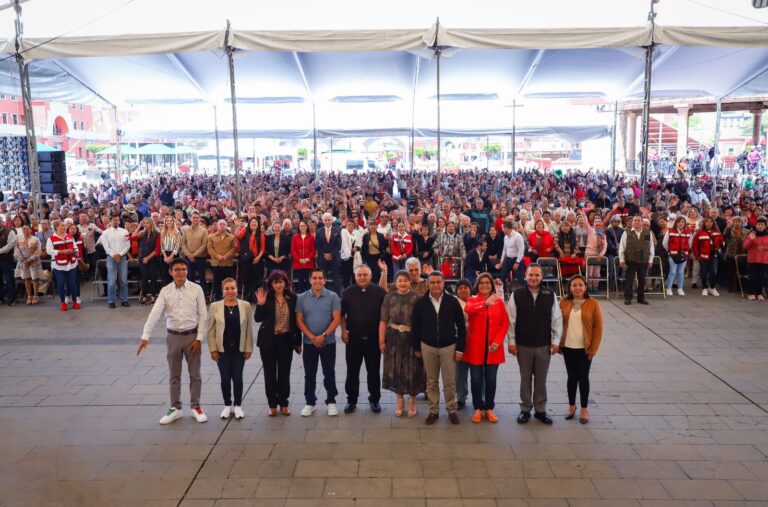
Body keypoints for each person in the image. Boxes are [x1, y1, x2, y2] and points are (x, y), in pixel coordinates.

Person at [137, 258, 209, 425]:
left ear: (187, 271)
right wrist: (145, 336)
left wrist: (199, 338)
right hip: (173, 337)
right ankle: (175, 408)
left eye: (183, 269)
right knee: (174, 375)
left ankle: (196, 406)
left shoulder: (197, 289)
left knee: (195, 374)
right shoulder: (165, 291)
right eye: (177, 270)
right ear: (171, 272)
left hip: (192, 336)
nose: (181, 272)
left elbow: (203, 315)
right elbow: (154, 314)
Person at [506, 264, 563, 425]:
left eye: (537, 275)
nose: (534, 278)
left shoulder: (550, 294)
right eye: (531, 275)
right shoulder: (517, 294)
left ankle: (540, 409)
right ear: (525, 276)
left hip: (543, 344)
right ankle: (525, 409)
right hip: (523, 344)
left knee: (541, 379)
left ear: (542, 277)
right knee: (525, 378)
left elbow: (557, 319)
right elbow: (511, 320)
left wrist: (555, 341)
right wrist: (511, 342)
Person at [411, 270, 467, 425]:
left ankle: (451, 410)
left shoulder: (452, 301)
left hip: (448, 347)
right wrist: (417, 347)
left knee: (449, 382)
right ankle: (433, 411)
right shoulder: (420, 303)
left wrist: (460, 348)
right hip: (427, 346)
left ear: (443, 283)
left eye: (438, 282)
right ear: (427, 284)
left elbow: (461, 327)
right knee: (431, 381)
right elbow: (415, 327)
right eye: (432, 282)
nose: (435, 285)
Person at [463, 273, 509, 424]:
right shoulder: (472, 300)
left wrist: (498, 341)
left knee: (491, 379)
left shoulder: (499, 302)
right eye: (481, 283)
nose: (484, 285)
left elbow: (504, 323)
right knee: (476, 380)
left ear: (491, 285)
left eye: (487, 282)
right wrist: (485, 304)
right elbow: (469, 310)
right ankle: (477, 408)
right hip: (475, 348)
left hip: (493, 348)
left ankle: (489, 408)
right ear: (477, 285)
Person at [340, 264, 387, 413]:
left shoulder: (380, 292)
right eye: (359, 275)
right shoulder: (347, 292)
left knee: (373, 371)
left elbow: (384, 317)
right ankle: (351, 400)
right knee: (352, 371)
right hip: (353, 339)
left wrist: (382, 339)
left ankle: (374, 399)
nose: (362, 277)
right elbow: (341, 314)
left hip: (373, 340)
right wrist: (343, 331)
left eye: (365, 275)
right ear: (355, 277)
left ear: (370, 276)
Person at [295, 268, 341, 417]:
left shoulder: (333, 296)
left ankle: (331, 401)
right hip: (309, 343)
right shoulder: (301, 298)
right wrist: (313, 338)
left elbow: (336, 319)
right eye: (314, 278)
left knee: (329, 372)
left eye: (320, 278)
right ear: (309, 280)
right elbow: (299, 320)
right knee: (310, 374)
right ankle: (310, 402)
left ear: (325, 280)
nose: (317, 281)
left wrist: (323, 335)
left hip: (328, 342)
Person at [255, 270, 302, 416]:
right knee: (269, 374)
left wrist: (297, 342)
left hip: (286, 340)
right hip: (268, 341)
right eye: (275, 282)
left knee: (284, 374)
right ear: (271, 284)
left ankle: (284, 403)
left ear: (285, 283)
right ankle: (272, 404)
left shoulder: (293, 298)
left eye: (281, 282)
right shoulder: (266, 297)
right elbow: (257, 318)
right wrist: (260, 304)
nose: (278, 285)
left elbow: (297, 322)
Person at [380, 270, 425, 417]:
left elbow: (422, 322)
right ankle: (399, 399)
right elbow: (383, 320)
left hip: (412, 338)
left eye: (405, 280)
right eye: (400, 280)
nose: (403, 283)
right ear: (396, 282)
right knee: (396, 368)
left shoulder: (417, 298)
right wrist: (381, 341)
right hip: (393, 338)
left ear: (409, 282)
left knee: (414, 368)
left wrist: (421, 342)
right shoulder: (389, 297)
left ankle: (412, 400)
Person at [207, 277, 253, 419]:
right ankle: (227, 405)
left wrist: (248, 347)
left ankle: (238, 405)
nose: (230, 291)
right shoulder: (215, 306)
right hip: (222, 350)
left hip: (239, 349)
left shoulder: (245, 305)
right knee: (225, 379)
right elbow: (211, 330)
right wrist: (213, 349)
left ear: (237, 289)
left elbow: (249, 328)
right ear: (222, 291)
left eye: (233, 288)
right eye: (227, 289)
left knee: (238, 378)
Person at [559, 275, 603, 425]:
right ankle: (571, 406)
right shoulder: (564, 302)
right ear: (569, 288)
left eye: (580, 285)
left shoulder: (593, 304)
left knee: (583, 377)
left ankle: (584, 409)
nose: (577, 288)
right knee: (571, 377)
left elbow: (598, 328)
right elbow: (556, 323)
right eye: (574, 285)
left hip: (585, 349)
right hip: (568, 347)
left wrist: (593, 349)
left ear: (585, 287)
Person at [618, 216, 654, 305]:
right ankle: (628, 298)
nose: (636, 222)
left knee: (642, 280)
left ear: (642, 222)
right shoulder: (626, 232)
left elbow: (651, 247)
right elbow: (622, 247)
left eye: (638, 220)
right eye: (635, 220)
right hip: (630, 260)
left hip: (643, 260)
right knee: (629, 280)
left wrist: (650, 260)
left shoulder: (648, 233)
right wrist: (621, 259)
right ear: (632, 222)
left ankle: (641, 298)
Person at [46, 220, 80, 311]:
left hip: (71, 263)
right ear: (56, 227)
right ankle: (63, 302)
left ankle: (74, 301)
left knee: (72, 283)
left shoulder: (70, 236)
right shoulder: (51, 238)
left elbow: (75, 247)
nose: (64, 227)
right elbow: (49, 251)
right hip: (58, 265)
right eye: (62, 226)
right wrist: (62, 252)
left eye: (65, 225)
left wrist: (76, 252)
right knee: (61, 284)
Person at [100, 214, 131, 309]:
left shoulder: (125, 231)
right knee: (111, 281)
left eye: (117, 220)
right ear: (111, 221)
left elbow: (128, 245)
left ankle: (124, 300)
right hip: (111, 258)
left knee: (123, 280)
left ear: (119, 221)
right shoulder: (105, 232)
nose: (115, 222)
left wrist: (120, 255)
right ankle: (111, 301)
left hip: (123, 258)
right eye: (114, 220)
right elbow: (106, 246)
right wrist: (114, 255)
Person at [453, 279, 473, 409]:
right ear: (456, 291)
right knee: (460, 373)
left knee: (478, 374)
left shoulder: (477, 301)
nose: (463, 290)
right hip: (459, 341)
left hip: (476, 341)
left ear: (471, 289)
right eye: (460, 288)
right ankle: (460, 398)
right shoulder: (453, 303)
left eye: (466, 287)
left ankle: (481, 398)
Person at [236, 217, 266, 302]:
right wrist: (238, 226)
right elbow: (238, 236)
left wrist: (258, 257)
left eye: (255, 222)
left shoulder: (261, 234)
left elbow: (262, 248)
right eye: (252, 222)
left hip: (257, 259)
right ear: (249, 223)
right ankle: (247, 296)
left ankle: (255, 297)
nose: (253, 223)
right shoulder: (245, 230)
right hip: (246, 259)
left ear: (258, 224)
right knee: (246, 278)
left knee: (256, 279)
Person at [692, 216, 724, 297]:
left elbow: (721, 241)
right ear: (704, 223)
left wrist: (718, 246)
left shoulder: (717, 232)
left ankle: (712, 288)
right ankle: (705, 288)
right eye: (707, 221)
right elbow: (695, 245)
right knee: (704, 272)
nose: (709, 223)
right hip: (703, 256)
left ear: (713, 223)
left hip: (714, 255)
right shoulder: (699, 233)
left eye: (711, 221)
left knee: (714, 272)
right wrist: (697, 256)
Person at [207, 219, 238, 301]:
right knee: (216, 282)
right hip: (216, 263)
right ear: (217, 226)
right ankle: (217, 298)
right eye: (220, 224)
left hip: (227, 263)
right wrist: (217, 256)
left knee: (227, 282)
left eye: (224, 224)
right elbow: (209, 248)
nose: (222, 225)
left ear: (226, 226)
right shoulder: (211, 237)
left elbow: (234, 248)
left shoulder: (231, 237)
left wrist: (226, 256)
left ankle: (227, 297)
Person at [180, 212, 209, 296]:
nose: (195, 219)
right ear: (191, 219)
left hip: (200, 257)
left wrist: (194, 255)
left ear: (199, 219)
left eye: (197, 217)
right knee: (190, 276)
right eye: (194, 217)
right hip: (188, 257)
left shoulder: (204, 231)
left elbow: (204, 245)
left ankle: (203, 295)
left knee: (201, 277)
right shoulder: (186, 230)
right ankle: (190, 295)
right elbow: (183, 244)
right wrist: (189, 255)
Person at [13, 223, 42, 305]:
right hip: (23, 262)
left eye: (27, 229)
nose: (25, 230)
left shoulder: (36, 239)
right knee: (27, 279)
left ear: (30, 230)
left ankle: (35, 295)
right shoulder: (18, 238)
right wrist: (23, 259)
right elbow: (16, 250)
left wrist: (30, 259)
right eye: (24, 229)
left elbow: (38, 250)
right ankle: (29, 296)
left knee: (35, 279)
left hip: (34, 261)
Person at [663, 216, 692, 296]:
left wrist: (686, 251)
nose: (680, 223)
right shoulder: (670, 231)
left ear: (685, 223)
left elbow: (690, 244)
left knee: (681, 272)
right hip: (673, 255)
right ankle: (669, 288)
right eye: (679, 222)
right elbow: (664, 243)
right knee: (672, 271)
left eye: (682, 222)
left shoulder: (688, 232)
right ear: (676, 223)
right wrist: (669, 250)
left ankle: (680, 288)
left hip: (683, 255)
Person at [135, 217, 161, 304]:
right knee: (144, 278)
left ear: (151, 224)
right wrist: (139, 226)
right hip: (142, 259)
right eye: (144, 223)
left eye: (147, 223)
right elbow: (132, 237)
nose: (145, 224)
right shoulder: (142, 233)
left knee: (153, 278)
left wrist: (148, 258)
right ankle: (144, 296)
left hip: (153, 259)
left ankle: (153, 296)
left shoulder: (157, 234)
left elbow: (157, 249)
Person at [315, 213, 342, 294]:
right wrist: (324, 254)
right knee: (322, 278)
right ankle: (322, 294)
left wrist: (331, 254)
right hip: (322, 258)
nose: (327, 222)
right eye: (325, 220)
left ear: (331, 220)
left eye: (328, 220)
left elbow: (339, 245)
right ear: (323, 221)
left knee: (336, 278)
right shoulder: (319, 231)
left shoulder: (337, 230)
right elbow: (317, 245)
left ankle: (338, 295)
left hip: (334, 258)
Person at [743, 216, 768, 300]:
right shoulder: (752, 234)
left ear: (765, 226)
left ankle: (759, 293)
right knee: (753, 276)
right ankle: (750, 293)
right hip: (753, 259)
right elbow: (745, 246)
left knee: (762, 277)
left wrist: (764, 248)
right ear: (756, 225)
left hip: (764, 260)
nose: (760, 226)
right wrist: (751, 240)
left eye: (762, 224)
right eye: (758, 224)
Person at [496, 220, 525, 289]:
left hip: (517, 259)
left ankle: (525, 292)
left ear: (507, 228)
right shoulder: (505, 236)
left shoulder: (518, 236)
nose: (502, 230)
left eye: (503, 228)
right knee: (502, 277)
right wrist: (501, 261)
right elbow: (504, 250)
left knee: (520, 278)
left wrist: (517, 262)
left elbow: (521, 250)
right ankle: (501, 292)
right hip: (508, 259)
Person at [291, 221, 315, 293]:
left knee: (309, 280)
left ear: (307, 226)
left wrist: (308, 258)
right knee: (300, 281)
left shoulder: (311, 237)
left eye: (304, 225)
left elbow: (313, 250)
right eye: (301, 226)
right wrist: (299, 259)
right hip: (298, 263)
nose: (303, 227)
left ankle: (309, 295)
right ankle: (301, 296)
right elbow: (293, 250)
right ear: (299, 227)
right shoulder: (295, 236)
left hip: (309, 262)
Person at [340, 217, 363, 288]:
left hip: (355, 256)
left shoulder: (357, 232)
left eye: (352, 225)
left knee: (355, 274)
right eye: (349, 225)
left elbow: (360, 242)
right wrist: (349, 250)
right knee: (346, 275)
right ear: (346, 225)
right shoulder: (343, 232)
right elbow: (344, 243)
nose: (350, 226)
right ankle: (346, 290)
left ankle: (355, 289)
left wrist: (356, 248)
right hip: (346, 257)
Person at [0, 218, 18, 306]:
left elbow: (10, 245)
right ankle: (1, 298)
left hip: (6, 259)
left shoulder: (10, 231)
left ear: (2, 222)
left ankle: (12, 299)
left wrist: (0, 251)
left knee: (9, 279)